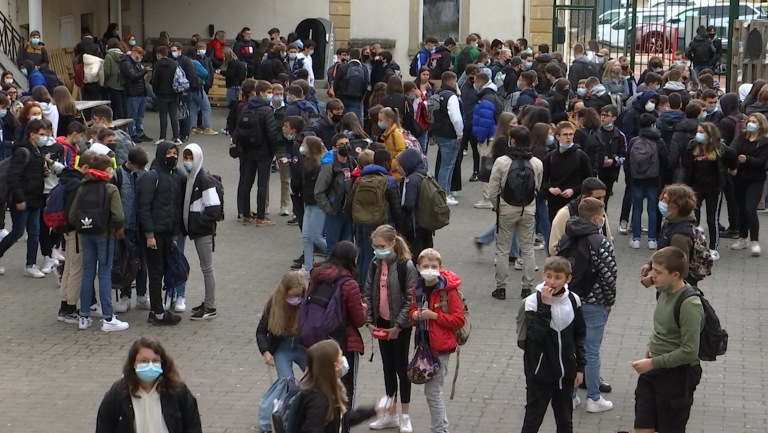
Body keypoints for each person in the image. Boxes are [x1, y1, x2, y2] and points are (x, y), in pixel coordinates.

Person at [632, 246, 705, 433]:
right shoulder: (663, 289)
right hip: (653, 370)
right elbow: (663, 326)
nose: (653, 276)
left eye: (658, 272)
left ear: (675, 275)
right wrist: (650, 344)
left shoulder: (690, 304)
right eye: (653, 270)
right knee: (642, 427)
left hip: (677, 376)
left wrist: (653, 363)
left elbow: (689, 352)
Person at [554, 198, 616, 413]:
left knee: (572, 350)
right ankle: (594, 398)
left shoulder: (565, 237)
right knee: (591, 352)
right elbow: (609, 276)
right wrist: (609, 300)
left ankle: (571, 396)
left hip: (569, 301)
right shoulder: (600, 242)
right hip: (594, 302)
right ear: (596, 217)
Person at [520, 256, 585, 433]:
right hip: (539, 374)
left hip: (566, 374)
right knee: (532, 423)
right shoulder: (533, 301)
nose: (552, 282)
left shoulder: (574, 300)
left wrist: (580, 367)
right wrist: (545, 307)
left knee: (565, 423)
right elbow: (534, 338)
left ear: (567, 279)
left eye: (558, 277)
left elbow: (579, 337)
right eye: (548, 276)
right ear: (543, 275)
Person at [363, 224, 417, 433]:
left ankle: (405, 416)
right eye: (375, 246)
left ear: (393, 243)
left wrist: (398, 325)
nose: (378, 250)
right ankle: (391, 415)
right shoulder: (375, 263)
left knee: (402, 368)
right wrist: (369, 321)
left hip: (400, 325)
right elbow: (368, 292)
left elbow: (410, 298)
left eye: (382, 246)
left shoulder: (406, 265)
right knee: (387, 367)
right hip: (382, 322)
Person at [68, 152, 128, 331]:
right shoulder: (110, 189)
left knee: (88, 273)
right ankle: (108, 318)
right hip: (105, 234)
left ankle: (84, 316)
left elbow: (72, 215)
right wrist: (115, 227)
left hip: (85, 234)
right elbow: (119, 216)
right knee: (104, 273)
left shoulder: (82, 187)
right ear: (107, 169)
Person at [408, 248, 465, 433]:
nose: (430, 270)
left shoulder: (448, 290)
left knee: (433, 391)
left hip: (441, 347)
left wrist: (434, 316)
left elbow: (458, 320)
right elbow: (411, 310)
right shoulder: (417, 287)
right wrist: (414, 314)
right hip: (424, 345)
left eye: (434, 266)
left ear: (440, 267)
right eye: (426, 266)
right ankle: (441, 428)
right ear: (418, 267)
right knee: (433, 391)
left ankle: (439, 429)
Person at [310, 241, 368, 416]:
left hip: (318, 339)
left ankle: (324, 418)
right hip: (343, 341)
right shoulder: (349, 284)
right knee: (346, 386)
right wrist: (364, 308)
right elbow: (359, 319)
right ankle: (345, 422)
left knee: (321, 383)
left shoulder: (316, 275)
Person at [95, 336, 202, 432]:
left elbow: (193, 427)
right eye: (144, 361)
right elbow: (104, 427)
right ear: (133, 363)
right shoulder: (118, 393)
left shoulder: (177, 390)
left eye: (155, 361)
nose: (150, 365)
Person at [489, 126, 542, 300]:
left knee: (503, 249)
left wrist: (497, 206)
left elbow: (493, 190)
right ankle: (527, 287)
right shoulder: (536, 163)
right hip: (528, 209)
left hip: (506, 209)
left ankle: (501, 288)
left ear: (512, 140)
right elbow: (537, 186)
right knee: (528, 249)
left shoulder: (502, 162)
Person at [137, 141, 185, 326]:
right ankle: (158, 312)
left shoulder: (176, 176)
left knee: (165, 270)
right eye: (169, 153)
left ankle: (159, 309)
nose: (172, 156)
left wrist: (174, 235)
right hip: (154, 234)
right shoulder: (151, 177)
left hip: (167, 233)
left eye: (175, 153)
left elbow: (176, 207)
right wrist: (149, 234)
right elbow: (144, 207)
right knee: (156, 273)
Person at [179, 143, 221, 320]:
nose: (188, 161)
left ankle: (210, 306)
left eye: (191, 158)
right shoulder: (191, 177)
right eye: (186, 158)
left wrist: (198, 223)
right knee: (206, 268)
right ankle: (208, 302)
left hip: (202, 232)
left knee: (207, 268)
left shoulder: (203, 180)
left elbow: (214, 209)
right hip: (197, 230)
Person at [0, 119, 47, 277]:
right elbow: (13, 176)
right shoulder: (23, 151)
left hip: (34, 198)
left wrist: (42, 173)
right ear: (32, 134)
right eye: (42, 134)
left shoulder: (36, 151)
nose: (44, 137)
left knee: (34, 232)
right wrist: (19, 198)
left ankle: (30, 264)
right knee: (18, 231)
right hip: (22, 198)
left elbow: (30, 172)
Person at [679, 122, 732, 258]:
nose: (698, 134)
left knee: (712, 219)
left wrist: (731, 170)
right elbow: (685, 166)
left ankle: (714, 248)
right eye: (698, 131)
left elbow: (732, 156)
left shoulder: (719, 148)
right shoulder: (692, 147)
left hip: (714, 188)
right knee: (693, 218)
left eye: (702, 132)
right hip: (696, 187)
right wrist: (683, 183)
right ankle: (694, 246)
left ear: (710, 134)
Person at [233, 80, 280, 226]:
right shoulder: (267, 110)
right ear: (261, 93)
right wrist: (273, 151)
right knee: (262, 184)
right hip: (263, 152)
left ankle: (246, 214)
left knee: (247, 183)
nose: (271, 95)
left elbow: (239, 130)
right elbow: (271, 133)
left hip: (248, 151)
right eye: (269, 92)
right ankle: (260, 217)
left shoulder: (246, 108)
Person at [109, 146, 150, 314]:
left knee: (142, 262)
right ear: (130, 162)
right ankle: (125, 296)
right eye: (138, 166)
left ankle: (141, 296)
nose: (141, 169)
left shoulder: (144, 174)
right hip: (125, 228)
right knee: (124, 262)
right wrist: (117, 226)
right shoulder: (117, 176)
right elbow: (113, 202)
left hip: (141, 226)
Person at [257, 270, 309, 377]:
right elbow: (261, 330)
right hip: (282, 347)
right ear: (284, 292)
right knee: (286, 381)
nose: (296, 299)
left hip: (303, 347)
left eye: (299, 295)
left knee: (317, 378)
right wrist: (265, 351)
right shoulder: (274, 304)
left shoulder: (308, 303)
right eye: (292, 295)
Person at [628, 114, 668, 249]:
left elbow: (628, 160)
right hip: (653, 179)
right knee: (652, 209)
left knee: (637, 208)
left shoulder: (634, 141)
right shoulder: (659, 141)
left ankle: (636, 239)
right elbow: (665, 161)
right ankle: (652, 239)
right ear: (652, 125)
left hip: (636, 179)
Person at [731, 113, 768, 256]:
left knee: (750, 209)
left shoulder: (764, 142)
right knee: (740, 209)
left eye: (754, 122)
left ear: (761, 124)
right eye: (749, 121)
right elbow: (732, 150)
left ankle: (755, 241)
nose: (751, 124)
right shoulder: (742, 136)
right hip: (739, 178)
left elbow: (762, 162)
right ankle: (743, 238)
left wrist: (747, 160)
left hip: (755, 179)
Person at [541, 121, 593, 223]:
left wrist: (573, 190)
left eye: (571, 134)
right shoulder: (550, 157)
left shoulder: (581, 156)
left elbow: (589, 180)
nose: (568, 137)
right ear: (557, 137)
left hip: (574, 203)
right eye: (565, 135)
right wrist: (550, 188)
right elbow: (543, 180)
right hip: (555, 203)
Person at [549, 177, 612, 255]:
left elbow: (608, 238)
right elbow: (553, 248)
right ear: (584, 198)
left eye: (603, 197)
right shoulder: (565, 214)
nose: (602, 202)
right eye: (597, 198)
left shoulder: (600, 211)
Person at [315, 133, 355, 255]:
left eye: (347, 144)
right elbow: (319, 191)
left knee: (347, 247)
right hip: (335, 212)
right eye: (341, 145)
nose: (345, 147)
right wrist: (329, 209)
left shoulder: (352, 162)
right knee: (332, 249)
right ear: (334, 148)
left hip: (348, 212)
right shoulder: (329, 167)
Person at [430, 71, 463, 205]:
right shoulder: (451, 96)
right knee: (447, 165)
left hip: (438, 132)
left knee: (445, 164)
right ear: (453, 80)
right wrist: (460, 134)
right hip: (450, 134)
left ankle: (445, 192)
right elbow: (456, 118)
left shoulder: (437, 94)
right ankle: (444, 193)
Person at [296, 136, 327, 271]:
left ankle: (337, 254)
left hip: (318, 205)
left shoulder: (319, 166)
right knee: (306, 236)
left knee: (316, 236)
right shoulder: (307, 162)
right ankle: (307, 267)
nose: (301, 146)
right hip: (309, 203)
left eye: (304, 144)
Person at [121, 45, 152, 142]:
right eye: (140, 55)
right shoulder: (127, 63)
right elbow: (133, 76)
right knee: (132, 115)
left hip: (139, 92)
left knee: (139, 115)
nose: (141, 57)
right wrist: (144, 71)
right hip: (132, 93)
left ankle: (139, 132)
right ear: (135, 53)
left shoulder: (135, 63)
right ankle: (132, 134)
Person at [151, 46, 180, 144]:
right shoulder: (174, 64)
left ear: (159, 54)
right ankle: (176, 137)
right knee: (174, 116)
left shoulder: (157, 65)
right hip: (173, 93)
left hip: (162, 94)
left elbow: (155, 81)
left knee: (163, 116)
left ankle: (162, 137)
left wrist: (156, 91)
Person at [333, 48, 369, 124]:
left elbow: (336, 83)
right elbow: (366, 84)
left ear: (350, 56)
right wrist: (361, 96)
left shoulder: (343, 67)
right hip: (357, 98)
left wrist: (337, 95)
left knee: (342, 118)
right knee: (354, 119)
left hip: (343, 97)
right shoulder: (364, 68)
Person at [103, 39, 126, 120]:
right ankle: (124, 122)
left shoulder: (108, 56)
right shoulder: (123, 55)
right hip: (122, 82)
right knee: (123, 104)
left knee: (116, 105)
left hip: (112, 83)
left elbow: (107, 71)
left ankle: (117, 121)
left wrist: (105, 82)